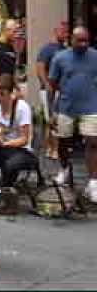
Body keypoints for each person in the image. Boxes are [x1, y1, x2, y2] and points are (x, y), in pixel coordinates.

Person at [49, 26, 97, 202]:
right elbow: (52, 85)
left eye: (86, 40)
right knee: (63, 141)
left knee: (93, 142)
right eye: (80, 40)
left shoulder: (95, 56)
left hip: (91, 106)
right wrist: (52, 111)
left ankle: (93, 182)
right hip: (66, 106)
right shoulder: (60, 57)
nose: (84, 44)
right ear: (72, 40)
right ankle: (64, 170)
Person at [36, 21, 69, 160]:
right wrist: (46, 84)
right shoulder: (47, 49)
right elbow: (40, 67)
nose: (65, 34)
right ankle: (52, 148)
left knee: (57, 119)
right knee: (51, 119)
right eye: (63, 31)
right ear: (56, 31)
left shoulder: (66, 50)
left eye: (67, 31)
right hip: (49, 90)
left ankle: (52, 148)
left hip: (62, 90)